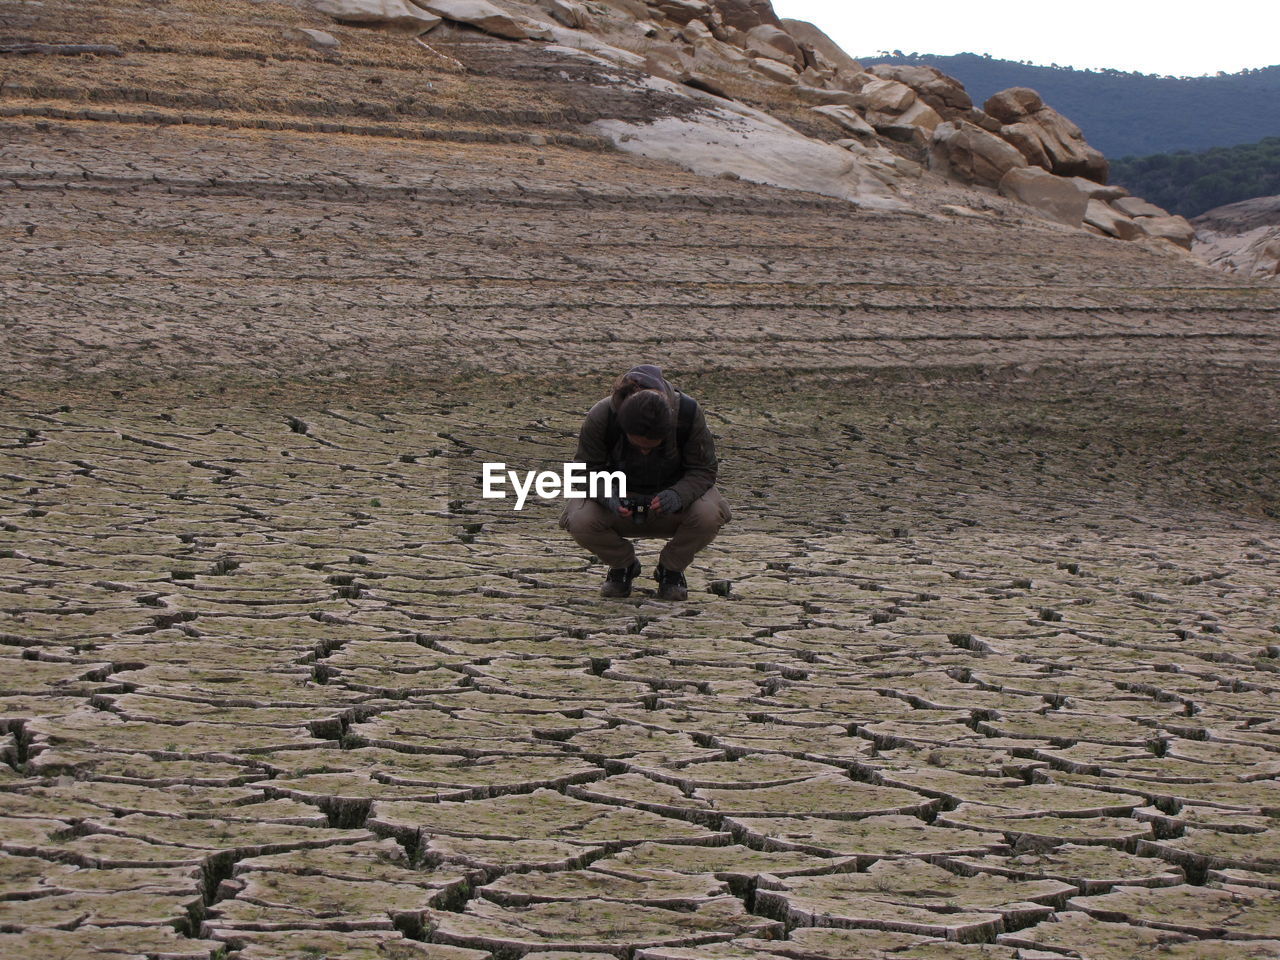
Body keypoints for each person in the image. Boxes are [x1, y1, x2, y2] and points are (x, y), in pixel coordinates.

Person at [559, 364, 731, 601]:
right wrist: (607, 495)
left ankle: (671, 570)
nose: (645, 452)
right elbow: (581, 472)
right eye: (638, 445)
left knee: (710, 513)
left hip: (672, 500)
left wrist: (678, 495)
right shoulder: (602, 415)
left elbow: (704, 470)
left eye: (653, 445)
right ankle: (623, 566)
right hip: (620, 503)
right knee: (579, 518)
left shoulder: (688, 413)